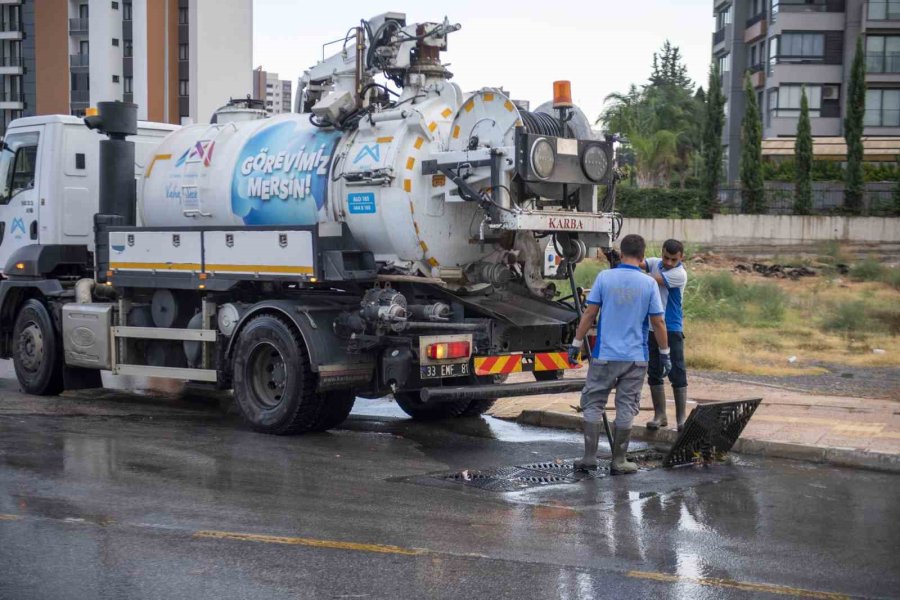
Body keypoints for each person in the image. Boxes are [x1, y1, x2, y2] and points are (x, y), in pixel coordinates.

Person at [568, 234, 671, 475]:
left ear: (621, 254)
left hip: (605, 355)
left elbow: (589, 313)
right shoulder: (648, 284)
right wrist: (665, 353)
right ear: (643, 257)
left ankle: (589, 458)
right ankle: (619, 461)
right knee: (626, 406)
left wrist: (576, 342)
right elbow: (658, 322)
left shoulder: (605, 277)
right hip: (635, 358)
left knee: (593, 403)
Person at [642, 239, 689, 431]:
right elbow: (639, 263)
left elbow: (651, 280)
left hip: (671, 328)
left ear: (681, 257)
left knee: (677, 372)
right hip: (653, 327)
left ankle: (681, 418)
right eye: (666, 258)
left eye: (673, 259)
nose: (669, 262)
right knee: (654, 371)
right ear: (661, 253)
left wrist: (631, 269)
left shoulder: (679, 274)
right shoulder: (655, 263)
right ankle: (660, 415)